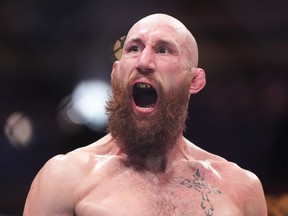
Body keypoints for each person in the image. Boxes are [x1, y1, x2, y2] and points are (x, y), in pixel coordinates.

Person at [24, 13, 267, 215]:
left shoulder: (240, 188)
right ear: (115, 73)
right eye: (134, 48)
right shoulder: (64, 178)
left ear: (194, 81)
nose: (144, 61)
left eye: (163, 50)